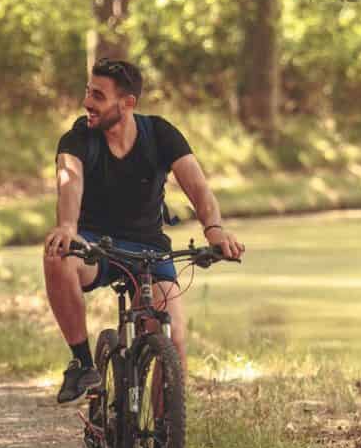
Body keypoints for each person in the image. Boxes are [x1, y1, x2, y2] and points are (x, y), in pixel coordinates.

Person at [43, 57, 245, 404]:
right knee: (58, 258)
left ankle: (164, 445)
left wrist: (214, 229)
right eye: (88, 92)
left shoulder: (159, 133)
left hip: (149, 250)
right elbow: (70, 181)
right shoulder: (78, 138)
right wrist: (67, 227)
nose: (87, 102)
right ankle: (83, 362)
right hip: (94, 246)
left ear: (128, 103)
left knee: (174, 340)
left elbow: (197, 186)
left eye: (98, 95)